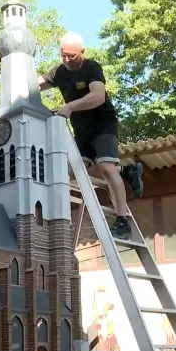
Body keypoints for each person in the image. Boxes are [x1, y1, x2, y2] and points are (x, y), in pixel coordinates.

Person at [38, 31, 144, 240]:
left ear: (82, 52)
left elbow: (97, 96)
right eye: (62, 55)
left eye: (71, 55)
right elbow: (34, 84)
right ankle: (126, 171)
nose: (66, 60)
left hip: (102, 124)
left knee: (105, 166)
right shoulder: (58, 71)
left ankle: (122, 221)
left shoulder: (91, 67)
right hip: (82, 131)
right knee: (72, 173)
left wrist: (70, 107)